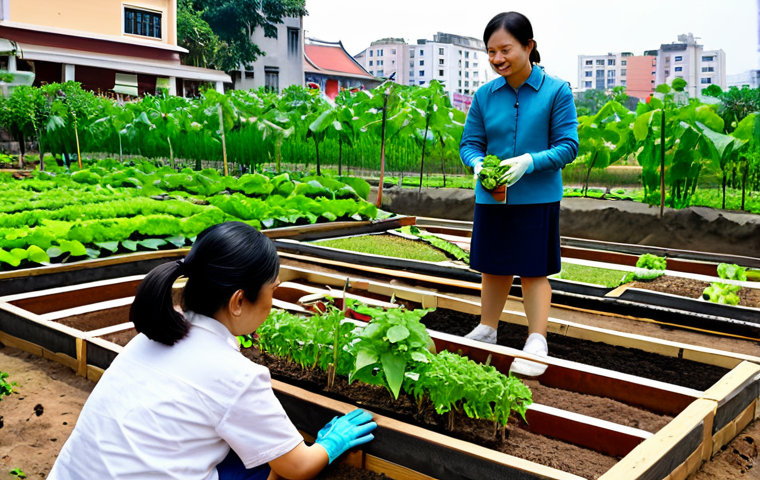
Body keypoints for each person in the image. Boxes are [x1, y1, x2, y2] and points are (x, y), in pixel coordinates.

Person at [49, 222, 377, 480]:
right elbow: (299, 466)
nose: (272, 302)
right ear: (238, 301)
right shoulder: (234, 375)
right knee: (272, 467)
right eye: (272, 289)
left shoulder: (155, 334)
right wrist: (330, 443)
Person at [459, 12, 579, 376]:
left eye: (505, 49)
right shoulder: (484, 95)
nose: (497, 59)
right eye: (491, 52)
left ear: (529, 47)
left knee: (533, 269)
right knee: (493, 266)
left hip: (536, 196)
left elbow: (568, 146)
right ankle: (487, 328)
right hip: (491, 195)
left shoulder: (556, 91)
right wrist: (478, 165)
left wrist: (529, 161)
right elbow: (469, 144)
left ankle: (537, 339)